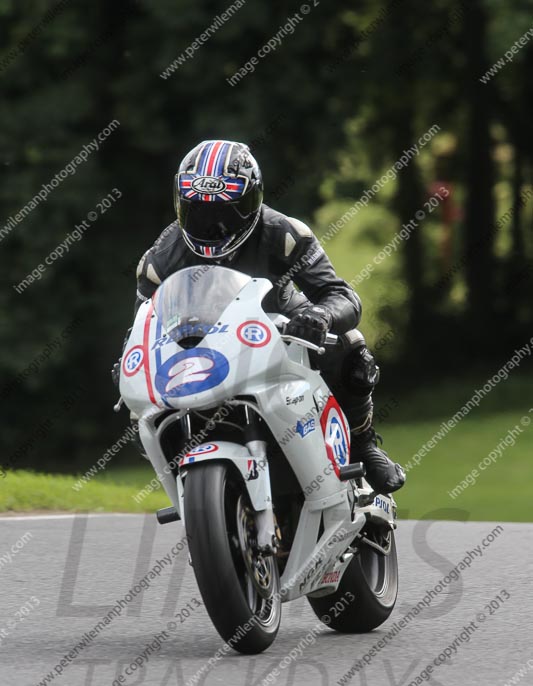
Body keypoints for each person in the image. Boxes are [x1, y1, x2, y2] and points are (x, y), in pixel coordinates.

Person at [130, 139, 405, 494]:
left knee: (352, 347)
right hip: (199, 351)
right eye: (198, 212)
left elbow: (343, 297)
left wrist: (320, 316)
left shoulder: (285, 234)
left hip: (282, 332)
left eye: (226, 212)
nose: (214, 225)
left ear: (253, 201)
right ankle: (190, 479)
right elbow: (140, 328)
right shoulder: (160, 260)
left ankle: (363, 444)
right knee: (138, 411)